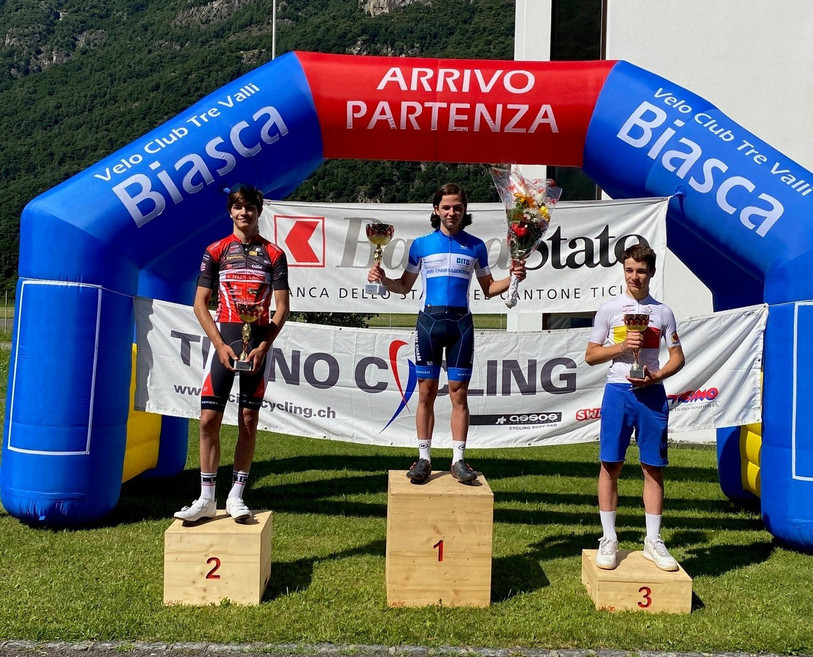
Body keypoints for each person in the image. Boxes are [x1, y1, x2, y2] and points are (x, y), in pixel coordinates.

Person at [367, 182, 526, 485]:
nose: (452, 212)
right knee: (425, 392)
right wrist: (383, 278)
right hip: (429, 323)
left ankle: (459, 459)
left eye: (457, 207)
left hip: (460, 325)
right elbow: (404, 287)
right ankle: (424, 459)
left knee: (459, 394)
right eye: (446, 207)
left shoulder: (476, 246)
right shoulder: (421, 245)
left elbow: (489, 289)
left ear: (464, 211)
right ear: (436, 210)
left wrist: (513, 278)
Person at [175, 183, 290, 524]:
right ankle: (206, 498)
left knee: (248, 420)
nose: (244, 213)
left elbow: (282, 308)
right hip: (225, 339)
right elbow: (199, 304)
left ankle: (237, 495)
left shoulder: (274, 254)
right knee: (208, 420)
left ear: (259, 211)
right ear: (230, 212)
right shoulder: (215, 250)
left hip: (256, 344)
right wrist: (219, 344)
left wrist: (264, 345)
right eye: (239, 208)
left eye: (250, 208)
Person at [584, 243, 685, 571]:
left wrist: (657, 376)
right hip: (618, 392)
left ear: (651, 272)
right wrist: (621, 346)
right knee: (610, 465)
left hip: (651, 394)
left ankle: (652, 539)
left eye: (641, 270)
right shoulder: (610, 310)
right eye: (629, 270)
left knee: (652, 467)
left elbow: (678, 357)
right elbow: (590, 355)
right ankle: (609, 537)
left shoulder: (663, 312)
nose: (635, 276)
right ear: (623, 271)